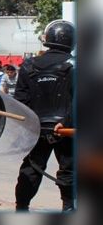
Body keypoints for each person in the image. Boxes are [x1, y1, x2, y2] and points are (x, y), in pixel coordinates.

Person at [12, 20, 75, 212]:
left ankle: (21, 208)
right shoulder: (76, 65)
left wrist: (29, 126)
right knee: (69, 170)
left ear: (47, 39)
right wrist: (66, 122)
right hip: (67, 129)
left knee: (31, 169)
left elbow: (20, 101)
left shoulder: (28, 66)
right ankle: (68, 207)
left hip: (36, 128)